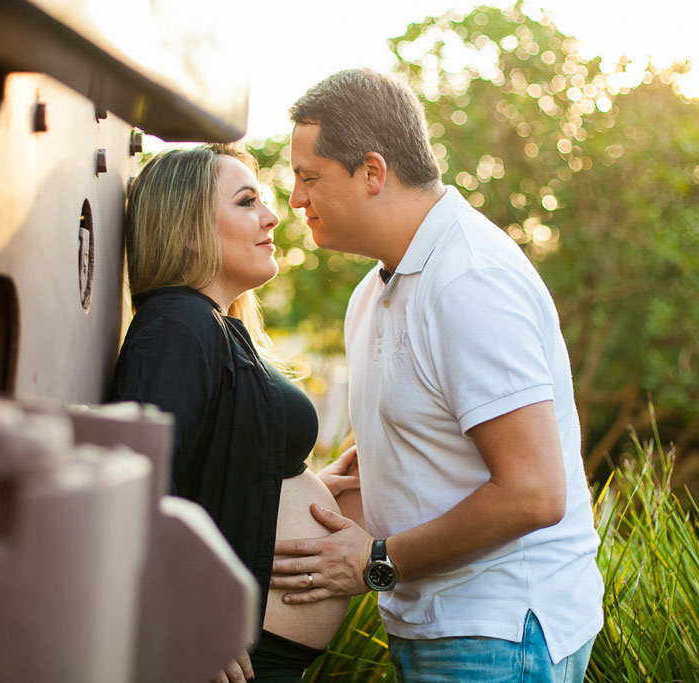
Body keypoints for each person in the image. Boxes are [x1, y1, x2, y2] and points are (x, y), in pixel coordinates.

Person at [270, 69, 604, 682]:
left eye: (308, 177)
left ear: (373, 172)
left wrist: (375, 562)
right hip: (432, 623)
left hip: (500, 634)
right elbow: (437, 447)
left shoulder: (470, 280)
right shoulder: (374, 292)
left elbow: (533, 492)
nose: (294, 199)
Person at [108, 143, 358, 683]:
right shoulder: (178, 323)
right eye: (247, 202)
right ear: (191, 229)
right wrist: (188, 617)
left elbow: (207, 460)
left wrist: (294, 482)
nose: (272, 215)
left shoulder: (209, 326)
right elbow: (142, 483)